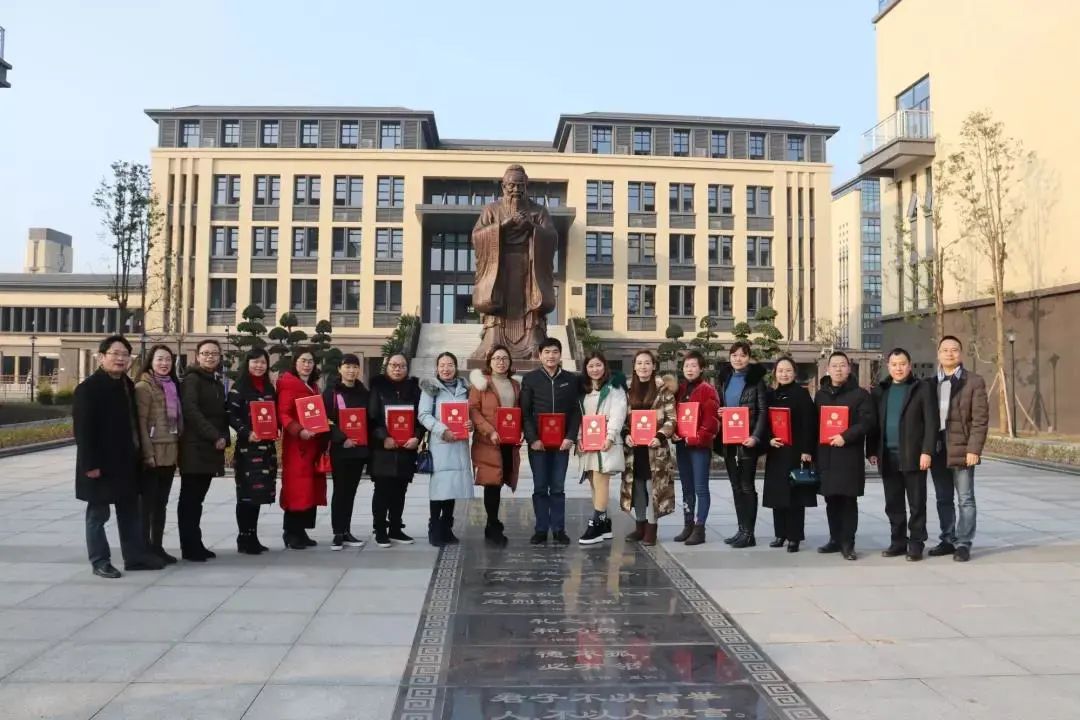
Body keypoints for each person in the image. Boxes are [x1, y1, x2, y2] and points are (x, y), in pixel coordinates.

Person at [75, 335, 163, 579]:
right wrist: (90, 465)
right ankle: (100, 561)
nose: (120, 358)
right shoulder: (88, 389)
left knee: (130, 513)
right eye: (115, 353)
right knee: (98, 515)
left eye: (125, 354)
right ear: (101, 357)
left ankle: (134, 557)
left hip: (126, 463)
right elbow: (83, 431)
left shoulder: (127, 385)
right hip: (100, 465)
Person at [470, 164, 559, 360]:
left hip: (529, 267)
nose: (516, 190)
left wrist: (531, 227)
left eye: (520, 185)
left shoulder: (538, 211)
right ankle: (494, 339)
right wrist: (502, 226)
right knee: (496, 300)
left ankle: (533, 339)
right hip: (499, 266)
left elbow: (552, 237)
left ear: (527, 186)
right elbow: (477, 236)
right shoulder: (491, 209)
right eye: (511, 185)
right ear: (503, 186)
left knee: (530, 301)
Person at [867, 348, 937, 561]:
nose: (899, 368)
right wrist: (871, 450)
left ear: (910, 365)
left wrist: (927, 451)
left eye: (903, 364)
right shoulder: (881, 390)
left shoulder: (921, 388)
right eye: (894, 364)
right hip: (888, 456)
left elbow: (931, 422)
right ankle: (898, 541)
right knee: (893, 503)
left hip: (914, 455)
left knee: (917, 503)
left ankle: (916, 543)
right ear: (888, 366)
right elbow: (874, 424)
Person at [928, 335, 989, 562]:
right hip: (938, 448)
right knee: (943, 498)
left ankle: (963, 543)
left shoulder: (973, 382)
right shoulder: (930, 383)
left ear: (960, 354)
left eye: (954, 350)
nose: (949, 354)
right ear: (938, 354)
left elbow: (980, 420)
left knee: (965, 498)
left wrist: (974, 449)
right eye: (945, 350)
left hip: (962, 448)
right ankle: (947, 539)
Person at [815, 351, 876, 561]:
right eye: (834, 365)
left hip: (849, 454)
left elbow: (867, 422)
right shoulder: (821, 395)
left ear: (849, 368)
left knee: (848, 500)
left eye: (842, 365)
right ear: (828, 369)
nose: (838, 369)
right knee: (831, 500)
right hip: (827, 454)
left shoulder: (860, 395)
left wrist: (845, 436)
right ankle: (834, 539)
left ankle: (848, 544)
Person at [520, 337, 580, 546]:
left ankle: (559, 529)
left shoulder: (570, 379)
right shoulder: (531, 379)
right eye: (546, 352)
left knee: (557, 488)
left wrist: (570, 436)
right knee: (540, 487)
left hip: (562, 444)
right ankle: (541, 529)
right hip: (539, 445)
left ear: (560, 354)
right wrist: (532, 438)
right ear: (540, 355)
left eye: (555, 352)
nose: (551, 356)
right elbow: (525, 412)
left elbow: (575, 411)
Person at [178, 339, 229, 562]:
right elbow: (191, 410)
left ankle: (195, 543)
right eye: (206, 353)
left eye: (214, 353)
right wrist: (214, 435)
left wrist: (224, 437)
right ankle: (189, 547)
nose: (210, 357)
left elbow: (221, 414)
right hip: (194, 447)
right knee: (190, 499)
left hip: (208, 448)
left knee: (197, 499)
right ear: (197, 356)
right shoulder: (192, 379)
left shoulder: (215, 381)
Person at [619, 350, 678, 547]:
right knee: (636, 488)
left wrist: (660, 436)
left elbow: (671, 418)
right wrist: (625, 434)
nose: (643, 366)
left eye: (647, 363)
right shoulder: (627, 390)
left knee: (652, 488)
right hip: (634, 449)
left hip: (654, 449)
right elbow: (622, 418)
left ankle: (651, 529)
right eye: (639, 363)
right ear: (634, 367)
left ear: (654, 366)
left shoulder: (663, 390)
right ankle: (640, 526)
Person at [714, 341, 769, 549]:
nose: (738, 359)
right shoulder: (725, 379)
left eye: (743, 355)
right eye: (734, 355)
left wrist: (755, 437)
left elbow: (763, 412)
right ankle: (741, 529)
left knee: (747, 486)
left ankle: (749, 533)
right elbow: (723, 405)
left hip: (747, 440)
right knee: (735, 486)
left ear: (749, 357)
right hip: (729, 440)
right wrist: (720, 412)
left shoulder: (756, 381)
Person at [419, 352, 475, 547]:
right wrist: (442, 430)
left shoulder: (465, 389)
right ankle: (434, 528)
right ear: (437, 368)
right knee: (439, 489)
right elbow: (424, 415)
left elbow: (470, 413)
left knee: (453, 488)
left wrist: (470, 424)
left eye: (450, 364)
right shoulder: (430, 388)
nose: (446, 369)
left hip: (459, 445)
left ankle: (447, 527)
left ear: (456, 367)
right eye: (442, 365)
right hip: (441, 445)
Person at [762, 356, 817, 553]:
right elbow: (764, 422)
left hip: (795, 452)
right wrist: (769, 439)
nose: (784, 374)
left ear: (794, 373)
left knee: (795, 497)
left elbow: (810, 424)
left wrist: (807, 450)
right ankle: (780, 534)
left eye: (788, 370)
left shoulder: (801, 395)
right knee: (777, 494)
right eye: (780, 371)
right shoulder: (771, 395)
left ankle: (794, 537)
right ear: (775, 373)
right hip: (777, 450)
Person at [226, 348, 278, 555]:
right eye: (255, 362)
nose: (259, 366)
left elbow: (273, 414)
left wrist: (276, 428)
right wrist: (246, 432)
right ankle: (244, 537)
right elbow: (230, 414)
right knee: (246, 494)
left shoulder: (269, 387)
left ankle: (253, 536)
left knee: (258, 493)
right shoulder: (239, 387)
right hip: (248, 448)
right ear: (247, 364)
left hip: (266, 448)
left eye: (263, 362)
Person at [468, 345, 521, 547]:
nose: (501, 362)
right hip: (488, 441)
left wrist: (520, 431)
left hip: (508, 441)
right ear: (489, 362)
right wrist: (489, 430)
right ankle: (492, 525)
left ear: (509, 362)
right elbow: (473, 410)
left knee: (501, 479)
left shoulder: (515, 385)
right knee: (492, 483)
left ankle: (493, 523)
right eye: (497, 358)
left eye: (504, 358)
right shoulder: (481, 384)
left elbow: (519, 410)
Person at [368, 353, 423, 548]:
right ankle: (380, 529)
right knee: (382, 490)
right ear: (387, 366)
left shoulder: (414, 389)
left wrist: (417, 437)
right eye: (393, 365)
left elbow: (420, 418)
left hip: (406, 449)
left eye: (401, 366)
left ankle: (396, 528)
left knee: (400, 490)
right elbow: (372, 417)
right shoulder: (378, 387)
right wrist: (384, 436)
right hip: (383, 449)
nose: (397, 369)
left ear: (407, 368)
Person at [133, 344, 182, 565]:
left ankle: (157, 547)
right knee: (147, 506)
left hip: (169, 451)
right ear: (151, 361)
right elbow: (141, 423)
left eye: (168, 360)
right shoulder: (144, 387)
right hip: (152, 453)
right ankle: (143, 549)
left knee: (161, 504)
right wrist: (147, 453)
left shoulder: (172, 385)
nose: (164, 363)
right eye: (160, 359)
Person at [276, 348, 329, 550]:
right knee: (296, 488)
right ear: (295, 363)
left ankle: (301, 531)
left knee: (309, 489)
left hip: (312, 444)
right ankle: (291, 532)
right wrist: (299, 431)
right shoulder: (288, 385)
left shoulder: (312, 386)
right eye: (303, 361)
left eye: (310, 361)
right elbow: (284, 414)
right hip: (297, 446)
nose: (307, 365)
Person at [576, 351, 628, 545]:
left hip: (606, 442)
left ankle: (596, 524)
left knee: (601, 480)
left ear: (605, 366)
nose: (595, 369)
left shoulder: (614, 388)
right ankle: (605, 524)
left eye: (598, 365)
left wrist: (610, 436)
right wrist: (579, 437)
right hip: (588, 443)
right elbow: (579, 416)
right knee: (593, 482)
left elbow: (618, 413)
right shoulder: (583, 390)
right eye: (591, 366)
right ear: (586, 368)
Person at [322, 353, 370, 551]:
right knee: (340, 491)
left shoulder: (364, 392)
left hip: (358, 451)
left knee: (350, 492)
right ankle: (337, 533)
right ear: (340, 369)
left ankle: (346, 530)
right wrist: (342, 439)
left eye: (355, 367)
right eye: (347, 366)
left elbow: (369, 419)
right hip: (341, 449)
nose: (351, 370)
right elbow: (326, 420)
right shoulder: (331, 393)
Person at [674, 350, 721, 546]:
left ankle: (700, 528)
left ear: (701, 368)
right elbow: (673, 415)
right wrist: (674, 432)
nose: (690, 369)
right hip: (682, 445)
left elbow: (711, 422)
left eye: (694, 366)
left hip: (699, 447)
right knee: (686, 487)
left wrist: (695, 438)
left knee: (700, 488)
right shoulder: (680, 389)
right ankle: (688, 524)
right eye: (686, 366)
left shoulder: (707, 390)